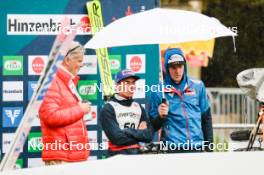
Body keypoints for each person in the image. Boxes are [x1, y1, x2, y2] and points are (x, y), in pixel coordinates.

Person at [149, 48, 213, 153]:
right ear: (166, 68)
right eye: (173, 67)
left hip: (197, 147)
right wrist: (160, 117)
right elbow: (152, 126)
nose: (177, 71)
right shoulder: (158, 91)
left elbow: (206, 118)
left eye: (180, 66)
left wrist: (209, 147)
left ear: (185, 66)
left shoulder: (198, 86)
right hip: (172, 148)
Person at [39, 41, 91, 165]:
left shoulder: (66, 81)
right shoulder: (53, 82)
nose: (82, 64)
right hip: (62, 158)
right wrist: (80, 109)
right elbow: (50, 116)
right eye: (79, 61)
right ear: (67, 60)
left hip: (71, 155)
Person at [100, 69, 153, 157]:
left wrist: (127, 131)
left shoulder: (139, 107)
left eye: (133, 83)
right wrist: (139, 133)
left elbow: (148, 136)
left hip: (136, 156)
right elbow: (117, 139)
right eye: (127, 82)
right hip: (116, 157)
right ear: (117, 86)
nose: (131, 86)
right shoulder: (108, 108)